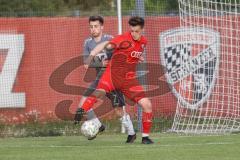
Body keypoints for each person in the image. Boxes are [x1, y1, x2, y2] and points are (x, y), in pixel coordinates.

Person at [75, 16, 153, 144]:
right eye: (132, 31)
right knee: (85, 103)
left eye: (136, 31)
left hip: (127, 79)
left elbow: (130, 52)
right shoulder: (93, 42)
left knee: (136, 107)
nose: (133, 34)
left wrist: (136, 58)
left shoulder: (143, 42)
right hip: (108, 77)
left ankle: (141, 136)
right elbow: (102, 47)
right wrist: (92, 56)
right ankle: (98, 125)